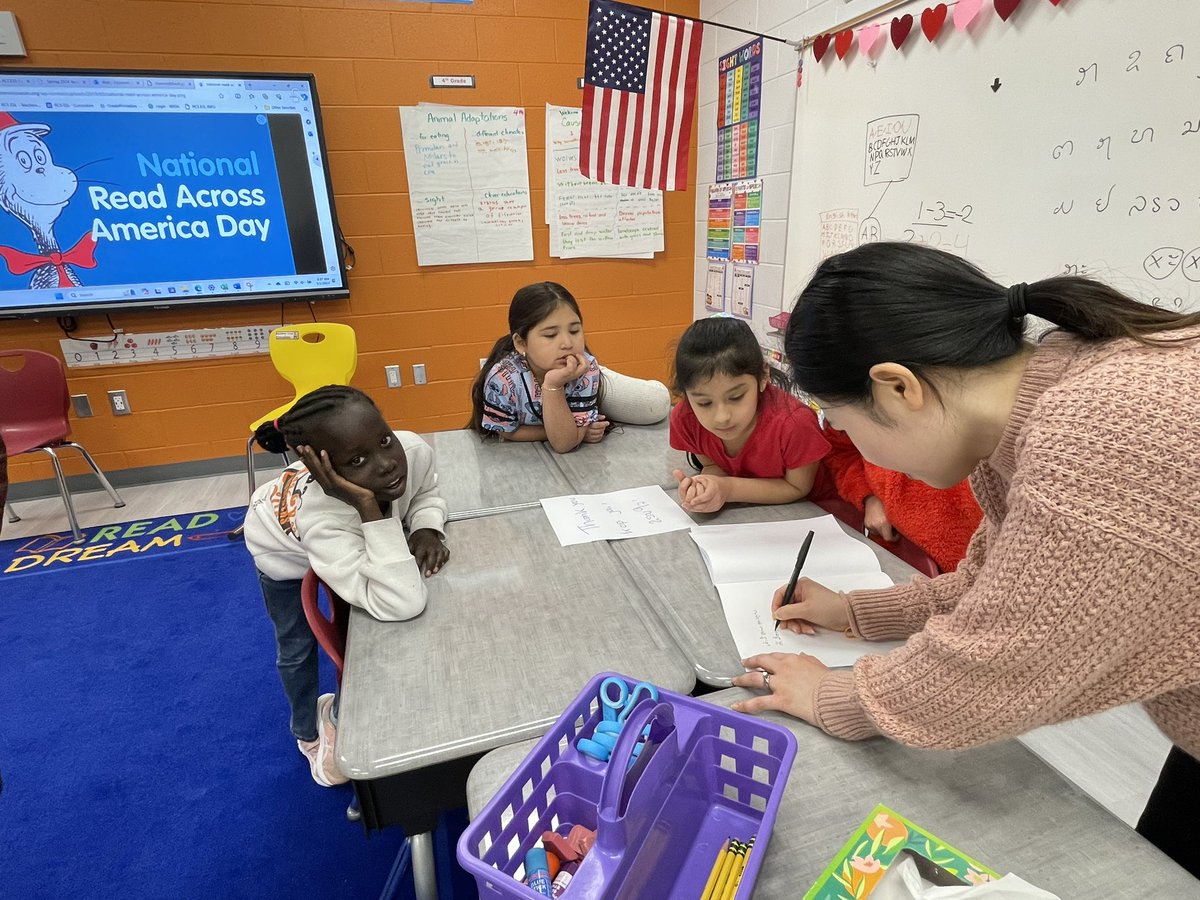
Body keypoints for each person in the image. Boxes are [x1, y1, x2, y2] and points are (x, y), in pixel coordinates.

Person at [729, 242, 1200, 877]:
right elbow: (993, 585)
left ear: (896, 387)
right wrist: (854, 611)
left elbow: (1001, 662)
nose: (849, 441)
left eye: (841, 421)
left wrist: (836, 696)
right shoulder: (1041, 402)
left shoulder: (1092, 436)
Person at [243, 385, 449, 787]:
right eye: (356, 460)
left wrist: (426, 527)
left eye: (385, 440)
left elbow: (427, 490)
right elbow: (403, 602)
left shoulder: (412, 451)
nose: (388, 464)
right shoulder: (324, 518)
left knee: (362, 617)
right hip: (279, 551)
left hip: (341, 536)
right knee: (296, 646)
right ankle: (307, 731)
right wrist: (368, 508)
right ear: (326, 474)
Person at [468, 282, 670, 453]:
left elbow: (567, 439)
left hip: (581, 376)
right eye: (550, 335)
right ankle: (584, 409)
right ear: (521, 343)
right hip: (551, 391)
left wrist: (577, 426)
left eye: (574, 330)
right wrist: (556, 392)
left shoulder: (586, 368)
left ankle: (599, 387)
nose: (567, 343)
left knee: (655, 404)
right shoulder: (502, 378)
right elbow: (512, 432)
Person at [668, 316, 830, 513]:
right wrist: (707, 485)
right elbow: (711, 463)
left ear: (763, 377)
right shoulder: (686, 419)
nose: (722, 417)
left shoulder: (795, 424)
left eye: (736, 397)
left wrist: (727, 489)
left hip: (817, 514)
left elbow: (797, 487)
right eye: (704, 403)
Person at [819, 423, 982, 573]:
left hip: (968, 571)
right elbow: (840, 449)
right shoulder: (847, 407)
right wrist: (868, 496)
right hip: (893, 555)